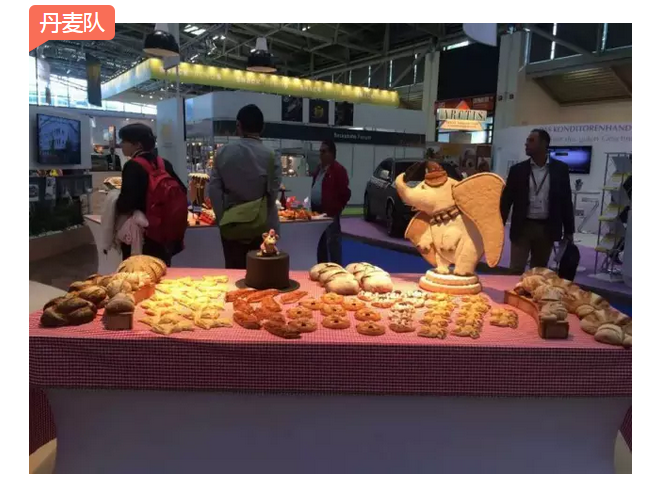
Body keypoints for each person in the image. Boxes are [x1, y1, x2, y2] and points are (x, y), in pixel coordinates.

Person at [208, 104, 282, 269]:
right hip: (262, 230)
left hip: (232, 226)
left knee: (234, 272)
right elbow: (272, 195)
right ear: (262, 127)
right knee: (262, 273)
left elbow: (214, 191)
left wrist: (223, 219)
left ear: (238, 125)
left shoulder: (223, 153)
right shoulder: (271, 156)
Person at [500, 128, 575, 274]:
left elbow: (566, 201)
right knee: (515, 270)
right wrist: (498, 225)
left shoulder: (560, 169)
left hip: (546, 229)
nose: (526, 144)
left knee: (539, 272)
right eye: (527, 140)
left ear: (544, 143)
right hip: (522, 227)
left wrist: (569, 230)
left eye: (531, 140)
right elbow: (506, 200)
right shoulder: (517, 170)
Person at [116, 123, 188, 265]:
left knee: (137, 271)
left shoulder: (132, 166)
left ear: (137, 144)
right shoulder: (164, 163)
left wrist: (114, 199)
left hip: (142, 234)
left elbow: (126, 204)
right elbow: (182, 190)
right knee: (161, 269)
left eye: (124, 141)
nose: (121, 144)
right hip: (164, 233)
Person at [311, 140, 351, 264]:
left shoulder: (339, 170)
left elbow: (345, 193)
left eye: (324, 151)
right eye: (320, 151)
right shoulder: (318, 169)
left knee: (333, 243)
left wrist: (337, 208)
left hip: (330, 213)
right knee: (320, 243)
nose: (320, 154)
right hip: (317, 212)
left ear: (331, 154)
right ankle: (322, 267)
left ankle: (336, 269)